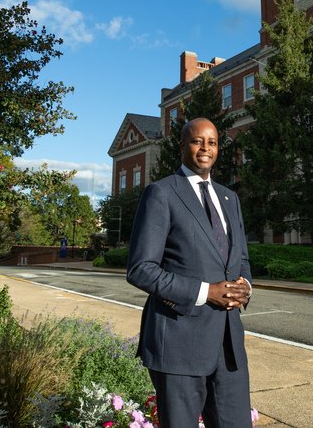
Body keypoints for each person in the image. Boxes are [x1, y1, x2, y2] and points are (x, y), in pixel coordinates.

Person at [127, 117, 253, 428]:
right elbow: (141, 269)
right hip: (179, 343)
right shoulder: (161, 193)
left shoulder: (230, 198)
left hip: (229, 347)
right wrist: (205, 292)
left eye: (212, 142)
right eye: (198, 141)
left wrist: (245, 286)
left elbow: (242, 259)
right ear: (183, 146)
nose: (205, 148)